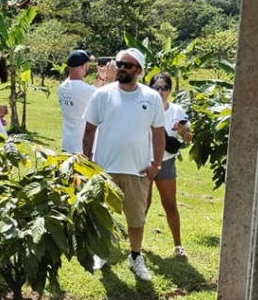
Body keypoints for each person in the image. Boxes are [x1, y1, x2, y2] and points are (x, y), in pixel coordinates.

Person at [82, 47, 166, 282]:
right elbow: (89, 129)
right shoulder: (103, 94)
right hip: (105, 169)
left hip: (137, 170)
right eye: (119, 63)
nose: (121, 68)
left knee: (136, 219)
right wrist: (87, 161)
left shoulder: (151, 97)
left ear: (139, 70)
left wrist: (156, 165)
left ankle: (135, 256)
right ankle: (101, 252)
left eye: (127, 65)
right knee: (103, 216)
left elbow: (158, 133)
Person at [147, 71, 193, 258]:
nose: (160, 92)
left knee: (170, 204)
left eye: (164, 88)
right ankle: (136, 248)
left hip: (166, 162)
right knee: (143, 204)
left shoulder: (177, 111)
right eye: (156, 88)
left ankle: (178, 246)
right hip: (145, 161)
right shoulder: (144, 108)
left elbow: (189, 138)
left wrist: (183, 132)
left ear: (170, 91)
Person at [58, 49, 97, 153]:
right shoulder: (87, 90)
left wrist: (101, 79)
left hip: (66, 144)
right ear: (84, 66)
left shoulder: (62, 87)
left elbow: (86, 90)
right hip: (81, 147)